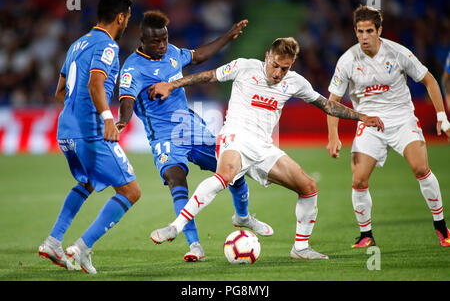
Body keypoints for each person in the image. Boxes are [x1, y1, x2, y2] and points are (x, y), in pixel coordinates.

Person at [148, 37, 384, 259]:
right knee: (225, 177)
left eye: (285, 68)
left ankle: (300, 247)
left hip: (263, 147)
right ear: (267, 56)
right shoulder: (244, 66)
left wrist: (362, 116)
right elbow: (208, 76)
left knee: (309, 187)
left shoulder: (296, 82)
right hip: (235, 137)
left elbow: (327, 105)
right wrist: (172, 84)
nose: (279, 73)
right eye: (276, 66)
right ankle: (175, 227)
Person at [116, 11, 273, 262]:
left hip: (190, 127)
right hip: (164, 137)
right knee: (176, 180)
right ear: (142, 40)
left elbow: (199, 56)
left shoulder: (172, 53)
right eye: (156, 41)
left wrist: (229, 36)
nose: (162, 45)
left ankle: (243, 216)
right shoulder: (132, 68)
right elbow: (126, 99)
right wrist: (123, 121)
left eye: (165, 39)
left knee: (232, 168)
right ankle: (195, 246)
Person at [326, 5, 450, 248]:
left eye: (369, 31)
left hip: (402, 118)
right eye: (359, 31)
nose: (364, 36)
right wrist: (333, 136)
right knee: (359, 179)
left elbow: (430, 80)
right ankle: (366, 235)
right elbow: (332, 103)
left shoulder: (397, 52)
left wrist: (442, 117)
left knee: (420, 167)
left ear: (379, 30)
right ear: (355, 31)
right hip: (370, 123)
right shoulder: (347, 60)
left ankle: (442, 227)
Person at [38, 0, 140, 274]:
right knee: (131, 190)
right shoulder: (108, 46)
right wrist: (107, 118)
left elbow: (61, 91)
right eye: (128, 18)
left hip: (66, 131)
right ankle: (82, 247)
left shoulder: (76, 45)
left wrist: (76, 113)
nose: (127, 24)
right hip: (90, 132)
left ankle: (53, 241)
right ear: (120, 17)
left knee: (88, 182)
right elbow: (96, 84)